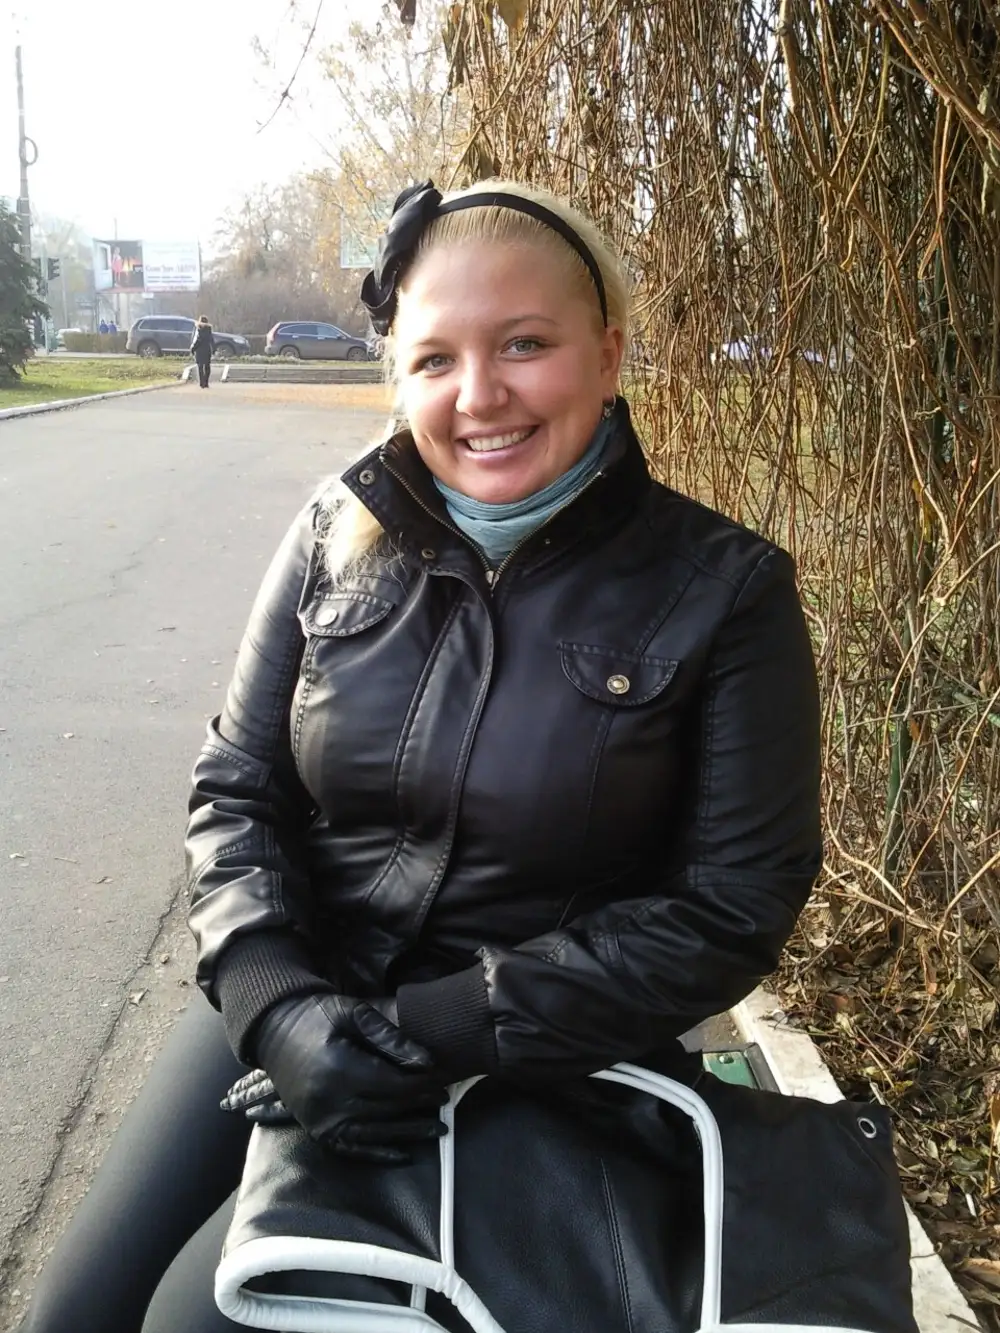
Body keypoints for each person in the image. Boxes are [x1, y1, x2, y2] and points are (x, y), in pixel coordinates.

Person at [18, 178, 821, 1333]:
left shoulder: (724, 591)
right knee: (77, 1311)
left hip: (540, 1049)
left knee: (199, 1321)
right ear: (399, 374)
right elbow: (237, 788)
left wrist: (435, 1027)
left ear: (607, 353)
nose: (479, 394)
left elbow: (729, 906)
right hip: (301, 987)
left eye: (524, 344)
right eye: (435, 358)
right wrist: (275, 999)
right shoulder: (332, 532)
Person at [191, 315, 215, 388]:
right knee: (207, 366)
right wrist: (214, 349)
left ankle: (202, 383)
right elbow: (212, 340)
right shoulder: (209, 330)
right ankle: (206, 382)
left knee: (200, 367)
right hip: (207, 349)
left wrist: (193, 348)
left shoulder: (199, 329)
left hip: (199, 350)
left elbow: (197, 340)